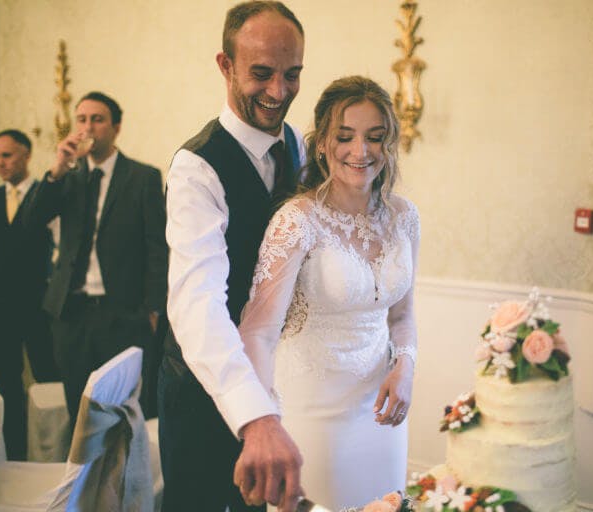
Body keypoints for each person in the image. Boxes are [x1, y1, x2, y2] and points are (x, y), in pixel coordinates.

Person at [238, 76, 419, 510]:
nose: (360, 152)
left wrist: (406, 366)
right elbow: (258, 332)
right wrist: (263, 424)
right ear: (321, 143)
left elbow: (402, 315)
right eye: (345, 137)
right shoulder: (297, 220)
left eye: (374, 138)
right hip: (311, 411)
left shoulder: (404, 216)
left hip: (381, 412)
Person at [158, 2, 306, 511]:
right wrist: (255, 415)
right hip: (203, 393)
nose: (279, 92)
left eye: (292, 75)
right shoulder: (195, 168)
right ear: (225, 66)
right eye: (261, 74)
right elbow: (196, 303)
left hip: (279, 383)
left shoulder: (296, 145)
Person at [23, 92, 167, 427]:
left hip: (123, 314)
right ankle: (83, 480)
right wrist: (58, 168)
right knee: (80, 412)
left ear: (116, 127)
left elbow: (157, 246)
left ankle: (125, 480)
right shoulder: (66, 178)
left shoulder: (143, 177)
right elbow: (30, 224)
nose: (88, 127)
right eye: (82, 119)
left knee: (124, 412)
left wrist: (154, 308)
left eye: (97, 119)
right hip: (70, 315)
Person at [0, 129, 60, 460]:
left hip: (37, 303)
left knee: (47, 375)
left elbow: (59, 246)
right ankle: (12, 452)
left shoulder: (45, 193)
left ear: (26, 154)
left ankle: (51, 451)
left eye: (6, 155)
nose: (0, 163)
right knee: (6, 380)